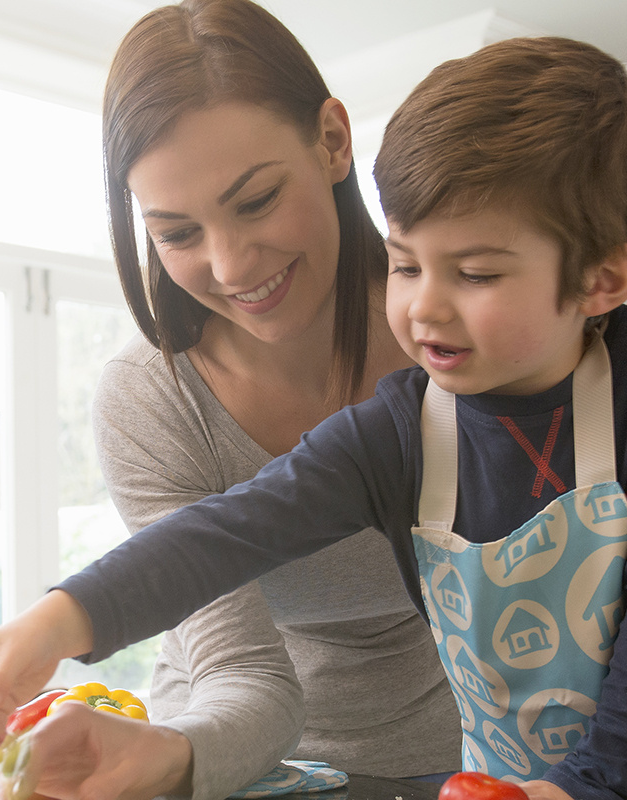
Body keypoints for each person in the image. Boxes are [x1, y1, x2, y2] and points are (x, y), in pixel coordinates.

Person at [0, 33, 627, 800]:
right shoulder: (402, 426)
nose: (425, 312)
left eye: (474, 274)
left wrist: (610, 782)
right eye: (405, 264)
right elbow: (227, 534)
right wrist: (54, 623)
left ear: (603, 278)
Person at [72, 1, 459, 799]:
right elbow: (245, 673)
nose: (232, 264)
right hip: (235, 760)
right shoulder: (151, 399)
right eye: (177, 233)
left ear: (333, 141)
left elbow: (601, 579)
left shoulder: (455, 329)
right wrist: (169, 760)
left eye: (254, 202)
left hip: (460, 751)